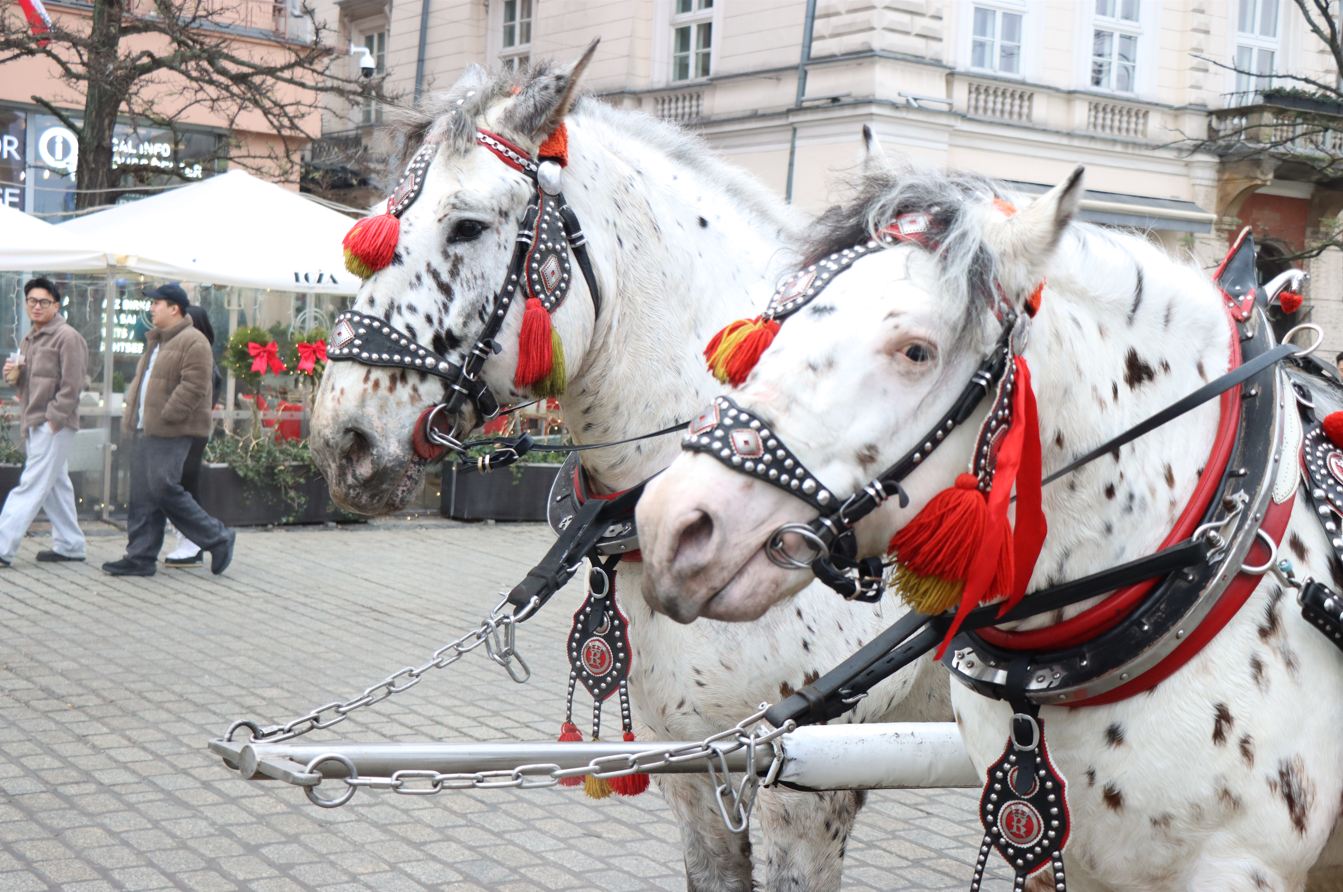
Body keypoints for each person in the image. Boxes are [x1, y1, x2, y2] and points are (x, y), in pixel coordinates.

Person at [103, 283, 236, 577]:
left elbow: (195, 386)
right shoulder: (157, 340)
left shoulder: (193, 341)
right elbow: (146, 383)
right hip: (145, 429)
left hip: (172, 430)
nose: (152, 308)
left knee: (164, 488)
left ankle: (217, 537)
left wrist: (167, 415)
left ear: (174, 308)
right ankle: (140, 556)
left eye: (157, 303)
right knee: (143, 495)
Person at [0, 277, 88, 567]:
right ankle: (70, 545)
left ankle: (2, 546)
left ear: (56, 305)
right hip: (34, 420)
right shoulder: (29, 338)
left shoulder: (67, 336)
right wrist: (13, 375)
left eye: (43, 302)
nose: (37, 307)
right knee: (55, 485)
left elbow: (73, 385)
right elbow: (28, 381)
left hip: (52, 423)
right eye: (32, 301)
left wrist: (54, 419)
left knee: (31, 484)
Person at [162, 304, 223, 568]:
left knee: (182, 486)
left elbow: (197, 393)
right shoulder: (182, 352)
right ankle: (193, 539)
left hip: (188, 430)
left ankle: (197, 540)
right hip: (181, 430)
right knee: (179, 485)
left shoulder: (200, 354)